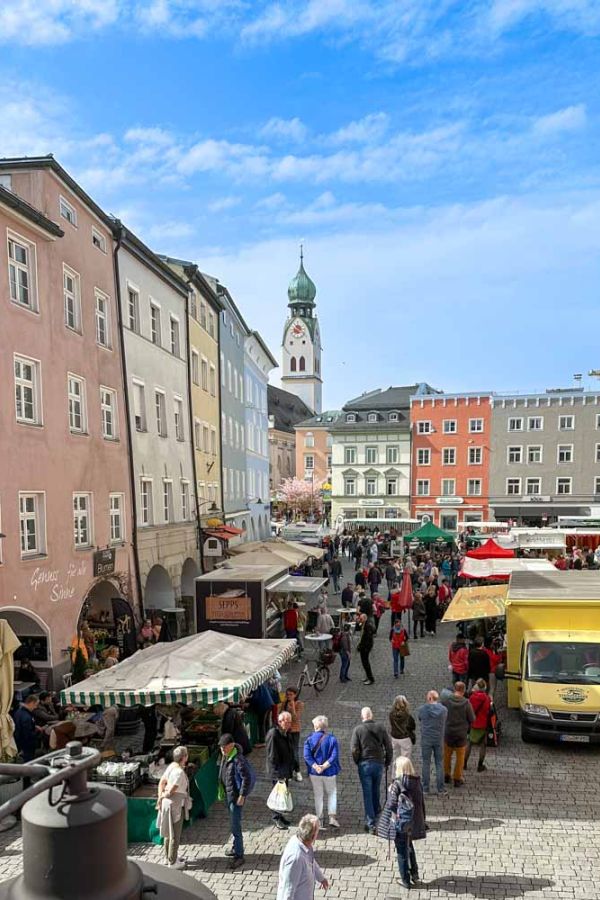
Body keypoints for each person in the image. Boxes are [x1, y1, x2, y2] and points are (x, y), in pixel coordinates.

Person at [379, 757, 426, 889]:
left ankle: (405, 880)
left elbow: (391, 804)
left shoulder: (397, 784)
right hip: (413, 822)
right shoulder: (416, 782)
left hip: (401, 823)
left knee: (401, 851)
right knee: (409, 846)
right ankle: (414, 874)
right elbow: (421, 803)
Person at [350, 706, 393, 834]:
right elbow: (388, 746)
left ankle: (371, 823)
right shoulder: (380, 727)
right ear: (371, 715)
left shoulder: (358, 730)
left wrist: (357, 760)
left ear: (362, 716)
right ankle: (377, 814)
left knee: (367, 793)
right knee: (376, 790)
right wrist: (387, 761)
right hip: (378, 763)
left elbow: (354, 749)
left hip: (365, 764)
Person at [218, 732, 253, 868]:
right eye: (221, 748)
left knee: (235, 826)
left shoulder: (238, 759)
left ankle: (239, 855)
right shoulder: (226, 756)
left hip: (235, 797)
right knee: (233, 825)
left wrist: (242, 796)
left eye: (224, 747)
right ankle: (235, 848)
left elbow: (247, 778)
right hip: (229, 795)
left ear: (231, 745)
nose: (222, 750)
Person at [276, 814, 328, 900]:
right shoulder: (296, 859)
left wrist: (321, 878)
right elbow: (287, 892)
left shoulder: (304, 844)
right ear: (313, 836)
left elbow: (311, 862)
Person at [156, 745, 192, 869]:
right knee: (175, 834)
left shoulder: (172, 766)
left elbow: (162, 782)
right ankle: (173, 862)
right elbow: (171, 790)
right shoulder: (179, 772)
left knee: (167, 832)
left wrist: (160, 797)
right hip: (174, 805)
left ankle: (169, 857)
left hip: (167, 804)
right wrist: (163, 796)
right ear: (184, 758)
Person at [304, 716, 341, 829]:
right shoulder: (332, 739)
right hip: (329, 772)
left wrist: (316, 767)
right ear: (326, 727)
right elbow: (334, 756)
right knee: (331, 794)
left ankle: (320, 819)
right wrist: (324, 766)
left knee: (318, 795)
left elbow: (307, 756)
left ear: (315, 727)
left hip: (315, 773)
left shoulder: (309, 740)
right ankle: (332, 818)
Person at [266, 711, 296, 830]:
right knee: (277, 795)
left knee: (282, 795)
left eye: (290, 722)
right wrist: (279, 773)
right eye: (286, 722)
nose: (288, 724)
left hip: (285, 770)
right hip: (278, 772)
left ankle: (281, 816)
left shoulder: (285, 733)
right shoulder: (274, 734)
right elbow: (272, 755)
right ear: (280, 721)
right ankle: (276, 818)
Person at [442, 681, 475, 787]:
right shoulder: (466, 703)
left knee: (447, 755)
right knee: (460, 757)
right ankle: (457, 778)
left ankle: (446, 774)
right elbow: (472, 718)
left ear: (454, 689)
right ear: (463, 690)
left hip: (449, 732)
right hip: (461, 734)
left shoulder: (447, 701)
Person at [417, 690, 448, 795]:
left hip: (426, 739)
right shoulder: (444, 710)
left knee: (426, 763)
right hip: (438, 739)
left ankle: (425, 788)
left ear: (430, 698)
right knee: (439, 763)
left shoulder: (422, 709)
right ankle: (441, 789)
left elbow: (420, 719)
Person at [465, 679, 492, 773]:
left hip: (473, 723)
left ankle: (464, 764)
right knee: (483, 745)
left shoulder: (472, 697)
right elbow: (488, 710)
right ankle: (480, 765)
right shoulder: (487, 698)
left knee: (469, 743)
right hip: (483, 724)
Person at [278, 687, 305, 781]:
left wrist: (293, 706)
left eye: (291, 695)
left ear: (295, 695)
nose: (289, 696)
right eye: (287, 694)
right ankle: (288, 772)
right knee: (285, 752)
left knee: (294, 752)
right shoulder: (284, 704)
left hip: (294, 731)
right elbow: (279, 715)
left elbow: (296, 718)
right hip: (285, 731)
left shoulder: (299, 704)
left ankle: (297, 771)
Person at [13, 694, 42, 761]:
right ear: (31, 703)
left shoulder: (18, 712)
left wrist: (34, 726)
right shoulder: (26, 716)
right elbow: (28, 734)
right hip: (27, 745)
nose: (36, 707)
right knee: (28, 762)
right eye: (36, 705)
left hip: (19, 742)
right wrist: (37, 732)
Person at [388, 695, 416, 765]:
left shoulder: (391, 714)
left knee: (395, 759)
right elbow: (413, 727)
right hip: (405, 738)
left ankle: (395, 775)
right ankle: (404, 775)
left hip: (394, 738)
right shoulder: (408, 716)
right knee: (405, 760)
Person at [357, 612, 376, 685]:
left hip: (365, 647)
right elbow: (358, 628)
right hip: (364, 646)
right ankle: (367, 676)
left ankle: (371, 678)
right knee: (364, 663)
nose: (360, 620)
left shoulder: (368, 626)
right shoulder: (364, 624)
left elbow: (367, 639)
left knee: (366, 663)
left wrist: (362, 647)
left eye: (361, 619)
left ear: (365, 619)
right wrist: (358, 622)